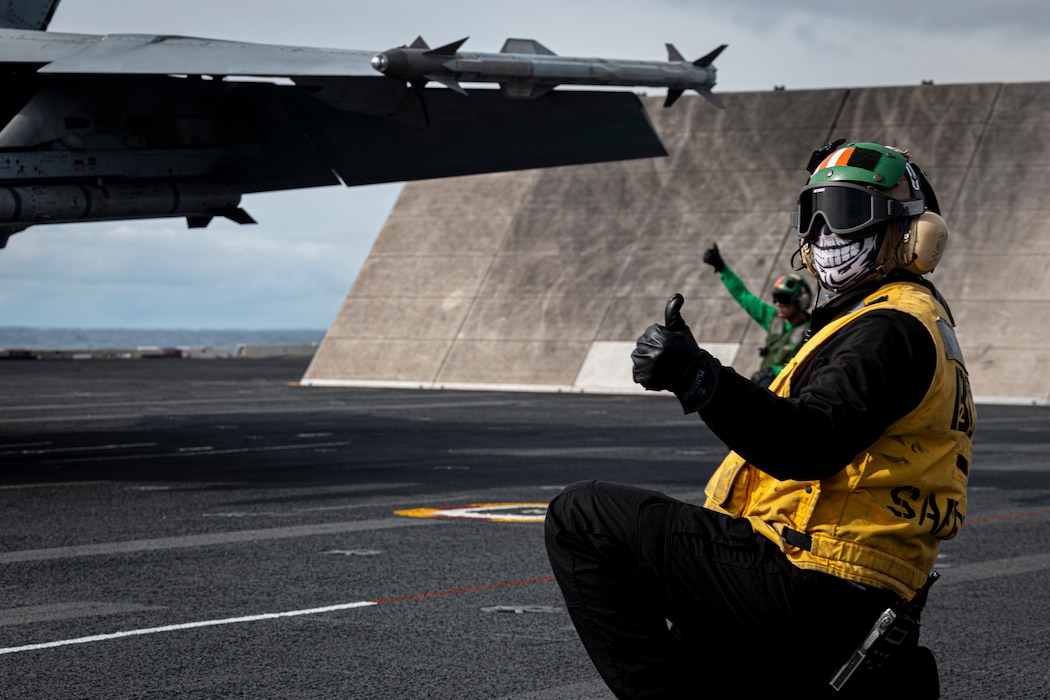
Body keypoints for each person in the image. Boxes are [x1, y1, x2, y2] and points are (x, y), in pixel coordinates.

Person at [545, 140, 975, 698]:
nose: (824, 233)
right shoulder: (906, 324)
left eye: (845, 213)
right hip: (857, 593)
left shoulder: (889, 328)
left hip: (817, 578)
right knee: (698, 646)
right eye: (812, 213)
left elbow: (808, 444)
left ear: (911, 234)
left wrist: (699, 377)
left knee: (583, 517)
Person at [702, 244, 812, 387]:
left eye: (784, 300)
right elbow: (743, 295)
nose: (778, 304)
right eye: (776, 299)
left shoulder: (813, 330)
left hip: (792, 390)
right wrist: (721, 268)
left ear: (801, 302)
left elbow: (810, 367)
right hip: (768, 388)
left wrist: (775, 371)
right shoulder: (773, 318)